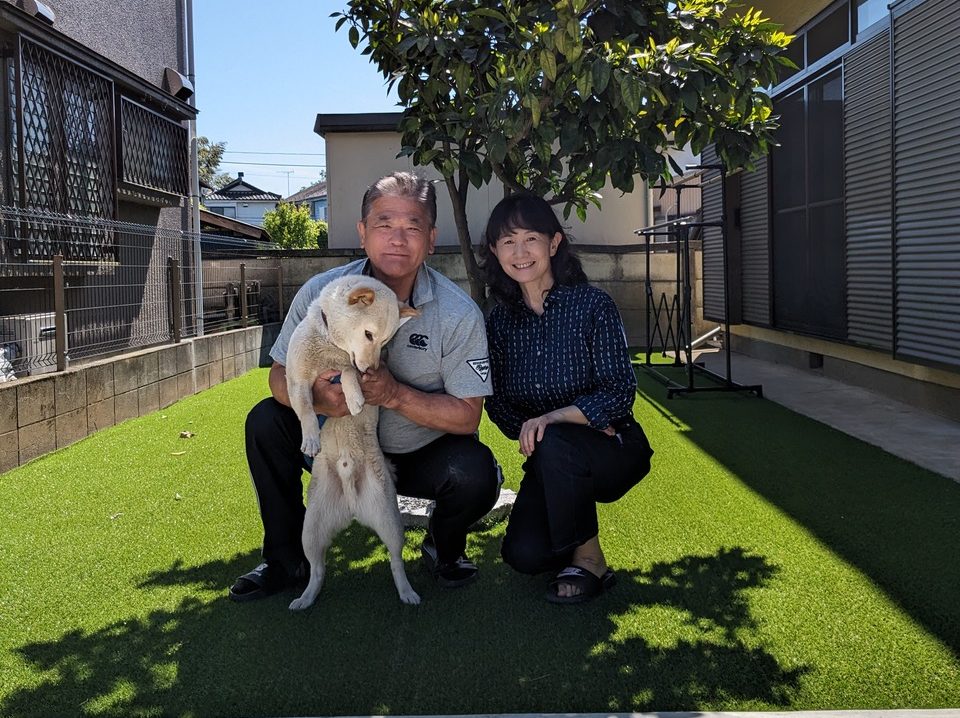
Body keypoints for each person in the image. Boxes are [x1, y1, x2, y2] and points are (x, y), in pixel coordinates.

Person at [230, 171, 500, 602]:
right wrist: (317, 399)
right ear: (362, 233)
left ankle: (443, 547)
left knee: (476, 474)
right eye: (384, 224)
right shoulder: (322, 294)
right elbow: (279, 374)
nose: (398, 239)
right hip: (334, 443)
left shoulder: (457, 313)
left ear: (431, 239)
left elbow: (468, 416)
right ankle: (285, 557)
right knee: (265, 421)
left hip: (417, 454)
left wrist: (394, 395)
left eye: (412, 227)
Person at [482, 193, 653, 604]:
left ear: (554, 243)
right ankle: (564, 533)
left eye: (530, 239)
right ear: (494, 251)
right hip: (548, 458)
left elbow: (619, 391)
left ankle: (591, 560)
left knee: (556, 436)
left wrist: (554, 419)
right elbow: (498, 401)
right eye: (508, 242)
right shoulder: (500, 321)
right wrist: (540, 430)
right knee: (523, 555)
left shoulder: (593, 305)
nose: (520, 252)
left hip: (613, 448)